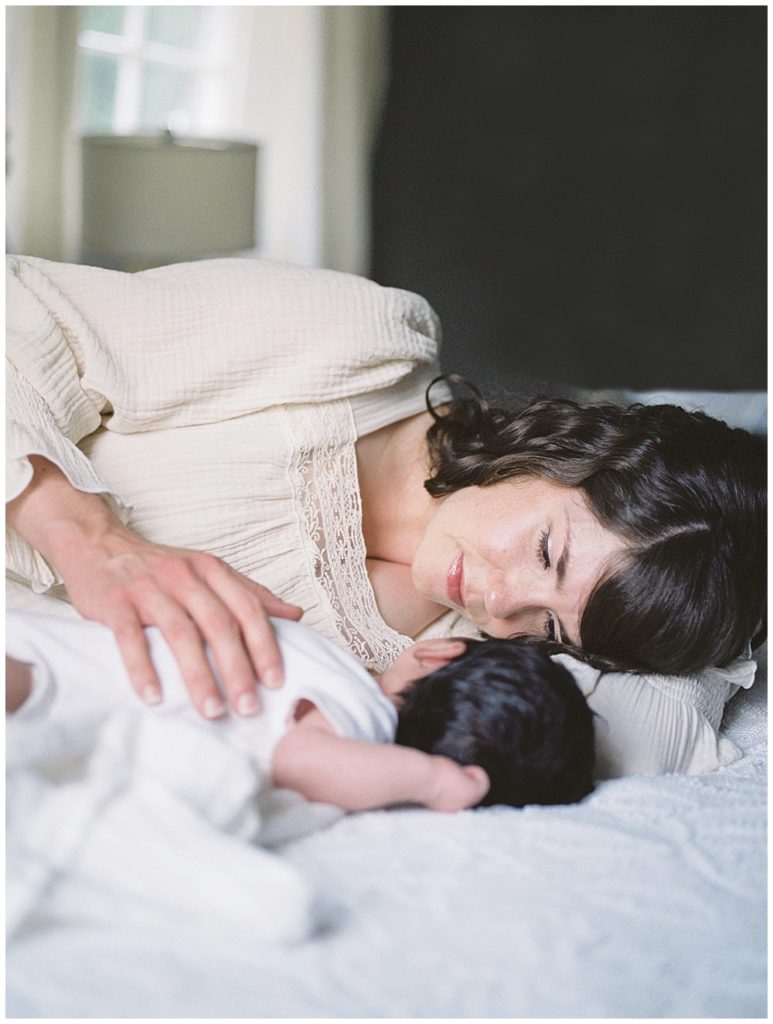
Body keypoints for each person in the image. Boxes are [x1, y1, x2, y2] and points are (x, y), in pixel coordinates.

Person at [6, 255, 766, 722]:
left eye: (549, 630)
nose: (503, 607)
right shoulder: (354, 342)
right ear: (565, 453)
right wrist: (91, 541)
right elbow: (23, 309)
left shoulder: (444, 660)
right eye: (544, 553)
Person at [6, 610, 595, 811]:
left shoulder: (324, 660)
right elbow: (302, 760)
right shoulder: (365, 711)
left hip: (49, 661)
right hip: (52, 685)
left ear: (439, 653)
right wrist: (433, 780)